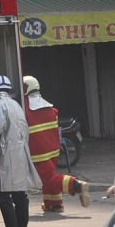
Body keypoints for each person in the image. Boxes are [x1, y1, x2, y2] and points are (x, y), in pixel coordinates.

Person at [23, 75, 90, 212]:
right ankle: (54, 204)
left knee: (47, 179)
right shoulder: (50, 109)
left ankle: (76, 185)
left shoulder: (25, 109)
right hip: (53, 149)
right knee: (50, 176)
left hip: (38, 152)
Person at [0, 75, 34, 227]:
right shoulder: (16, 105)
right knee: (20, 193)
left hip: (6, 153)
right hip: (20, 151)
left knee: (2, 194)